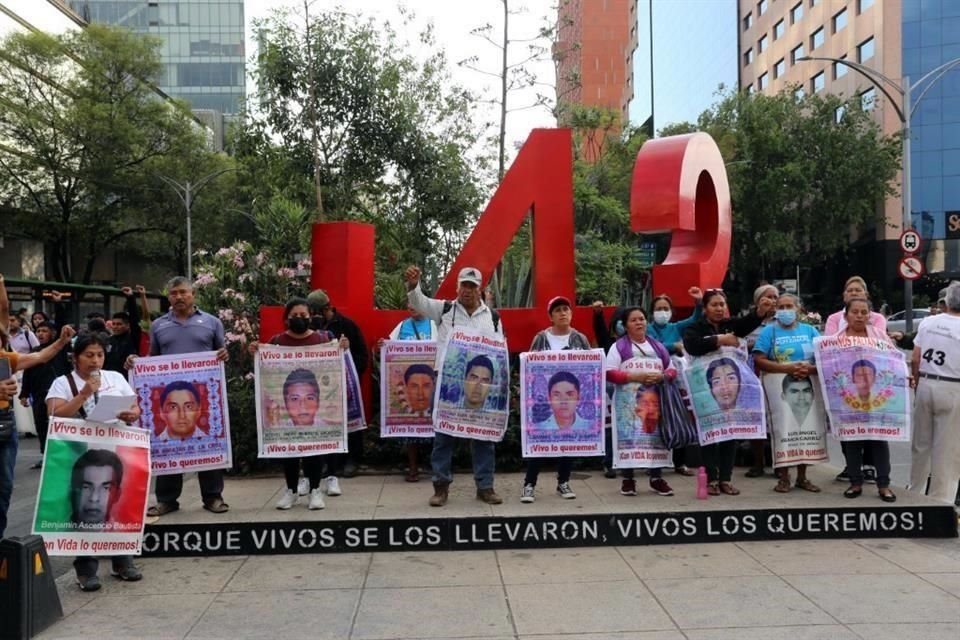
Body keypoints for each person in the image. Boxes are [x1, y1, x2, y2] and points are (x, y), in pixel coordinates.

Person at [47, 331, 142, 591]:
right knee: (85, 507)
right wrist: (84, 393)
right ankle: (86, 569)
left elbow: (135, 407)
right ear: (76, 358)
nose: (95, 361)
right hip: (80, 453)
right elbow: (55, 414)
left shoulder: (115, 377)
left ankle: (123, 561)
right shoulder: (63, 382)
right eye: (89, 355)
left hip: (115, 449)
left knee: (115, 507)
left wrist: (131, 414)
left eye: (99, 355)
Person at [127, 276, 229, 517]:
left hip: (203, 398)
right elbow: (152, 359)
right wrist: (136, 364)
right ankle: (167, 499)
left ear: (193, 294)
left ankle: (213, 496)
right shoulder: (159, 326)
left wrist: (225, 354)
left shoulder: (212, 322)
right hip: (170, 397)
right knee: (168, 444)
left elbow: (222, 352)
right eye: (174, 293)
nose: (179, 297)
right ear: (168, 297)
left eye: (183, 292)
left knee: (208, 442)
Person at [404, 264, 505, 506]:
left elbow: (498, 351)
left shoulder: (492, 317)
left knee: (483, 437)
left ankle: (485, 487)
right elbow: (419, 302)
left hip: (480, 387)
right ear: (457, 287)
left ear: (479, 289)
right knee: (443, 437)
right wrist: (413, 284)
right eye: (464, 285)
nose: (467, 290)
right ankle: (441, 488)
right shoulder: (445, 310)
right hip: (447, 385)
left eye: (472, 286)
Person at [249, 297, 347, 510]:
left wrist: (342, 348)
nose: (300, 319)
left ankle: (314, 491)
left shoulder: (323, 339)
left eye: (304, 316)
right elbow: (264, 368)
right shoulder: (277, 341)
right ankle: (291, 491)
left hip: (313, 418)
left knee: (314, 449)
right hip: (287, 417)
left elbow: (336, 365)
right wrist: (254, 351)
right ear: (286, 319)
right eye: (295, 316)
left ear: (311, 317)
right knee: (289, 450)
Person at [0, 271, 76, 539]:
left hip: (5, 428)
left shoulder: (4, 356)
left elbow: (40, 356)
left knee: (5, 489)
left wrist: (62, 341)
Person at [683, 288, 774, 495]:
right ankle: (711, 480)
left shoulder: (731, 325)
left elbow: (745, 325)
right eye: (714, 305)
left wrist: (759, 312)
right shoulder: (694, 328)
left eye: (722, 305)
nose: (719, 308)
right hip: (707, 391)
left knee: (730, 435)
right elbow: (693, 346)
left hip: (731, 391)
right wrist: (721, 340)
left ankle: (726, 479)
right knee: (710, 435)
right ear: (705, 308)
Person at [521, 296, 592, 503]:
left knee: (567, 441)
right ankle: (529, 484)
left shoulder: (580, 339)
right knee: (539, 441)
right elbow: (530, 367)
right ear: (551, 316)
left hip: (570, 401)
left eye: (566, 309)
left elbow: (589, 369)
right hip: (544, 401)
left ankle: (563, 481)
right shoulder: (541, 338)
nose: (563, 313)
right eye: (558, 310)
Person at [752, 292, 822, 493]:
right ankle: (783, 477)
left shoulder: (810, 331)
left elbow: (824, 357)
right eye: (781, 307)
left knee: (806, 431)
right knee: (783, 431)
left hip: (807, 387)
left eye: (789, 306)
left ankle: (802, 477)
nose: (785, 311)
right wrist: (788, 369)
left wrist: (810, 370)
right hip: (780, 389)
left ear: (798, 309)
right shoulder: (769, 332)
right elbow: (759, 359)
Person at [605, 307, 677, 498]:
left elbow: (672, 369)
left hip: (656, 403)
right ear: (625, 325)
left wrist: (662, 376)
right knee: (630, 439)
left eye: (642, 319)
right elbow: (610, 372)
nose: (639, 323)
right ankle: (628, 479)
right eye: (634, 320)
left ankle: (656, 478)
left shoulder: (658, 347)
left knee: (656, 440)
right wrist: (634, 376)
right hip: (628, 406)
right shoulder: (619, 347)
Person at [835, 298, 896, 502]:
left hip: (876, 398)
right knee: (853, 441)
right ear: (846, 315)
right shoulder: (836, 340)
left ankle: (884, 485)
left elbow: (893, 360)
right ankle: (855, 482)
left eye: (864, 312)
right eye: (855, 312)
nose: (860, 315)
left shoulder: (879, 336)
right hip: (849, 399)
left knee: (879, 440)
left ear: (869, 315)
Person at [306, 289, 368, 478]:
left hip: (344, 384)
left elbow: (362, 355)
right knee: (325, 423)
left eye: (316, 312)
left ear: (326, 308)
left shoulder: (346, 325)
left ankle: (352, 460)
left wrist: (349, 372)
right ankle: (329, 463)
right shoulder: (310, 329)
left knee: (350, 422)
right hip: (320, 386)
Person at [909, 283, 960, 506]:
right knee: (946, 449)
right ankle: (941, 501)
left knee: (921, 444)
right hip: (953, 387)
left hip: (926, 383)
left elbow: (915, 358)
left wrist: (918, 383)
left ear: (946, 302)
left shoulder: (929, 323)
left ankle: (914, 492)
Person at [648, 287, 703, 476]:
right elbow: (653, 346)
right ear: (652, 312)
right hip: (654, 378)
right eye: (658, 309)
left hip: (677, 379)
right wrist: (674, 346)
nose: (662, 312)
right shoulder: (647, 328)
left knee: (679, 416)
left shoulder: (676, 327)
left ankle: (680, 463)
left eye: (665, 308)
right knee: (656, 419)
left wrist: (698, 302)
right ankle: (654, 463)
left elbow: (695, 319)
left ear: (671, 312)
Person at [19, 321, 71, 468]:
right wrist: (24, 393)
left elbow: (64, 333)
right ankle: (45, 456)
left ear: (53, 333)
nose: (40, 334)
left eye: (44, 331)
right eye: (38, 331)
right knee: (41, 426)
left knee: (58, 425)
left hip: (58, 396)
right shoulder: (34, 352)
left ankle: (63, 454)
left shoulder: (60, 350)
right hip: (38, 394)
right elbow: (27, 373)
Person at [744, 284, 779, 478]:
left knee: (776, 419)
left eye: (775, 297)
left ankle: (778, 463)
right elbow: (740, 341)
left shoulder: (781, 321)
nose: (772, 301)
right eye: (768, 297)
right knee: (755, 418)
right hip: (751, 372)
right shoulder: (750, 320)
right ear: (758, 301)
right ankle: (758, 463)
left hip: (775, 371)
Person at [592, 301, 628, 478]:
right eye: (619, 321)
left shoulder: (635, 343)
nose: (622, 324)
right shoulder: (608, 342)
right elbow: (599, 331)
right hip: (610, 392)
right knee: (609, 429)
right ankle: (609, 462)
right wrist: (598, 315)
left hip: (630, 392)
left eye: (625, 320)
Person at [70, 449, 123, 526]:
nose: (94, 498)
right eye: (86, 487)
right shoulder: (53, 530)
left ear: (117, 495)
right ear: (73, 491)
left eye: (106, 488)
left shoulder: (126, 535)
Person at [103, 287, 142, 374]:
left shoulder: (132, 338)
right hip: (110, 380)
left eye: (119, 324)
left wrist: (130, 298)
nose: (115, 327)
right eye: (114, 324)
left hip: (126, 379)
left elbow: (135, 320)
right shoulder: (108, 341)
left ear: (127, 325)